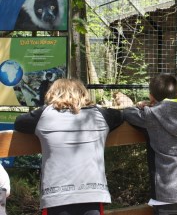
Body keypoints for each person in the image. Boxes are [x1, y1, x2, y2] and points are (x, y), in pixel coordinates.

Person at [14, 78, 124, 215]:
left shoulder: (44, 115)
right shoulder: (99, 115)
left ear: (54, 93)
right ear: (83, 93)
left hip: (56, 195)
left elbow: (19, 122)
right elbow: (120, 116)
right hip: (92, 193)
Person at [122, 74, 177, 215]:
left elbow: (128, 113)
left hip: (166, 192)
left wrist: (143, 106)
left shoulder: (150, 115)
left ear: (151, 97)